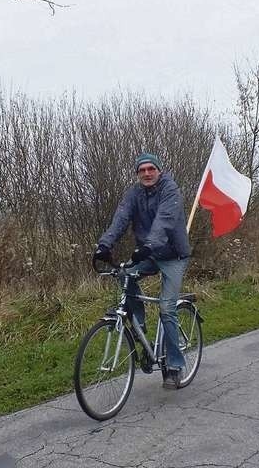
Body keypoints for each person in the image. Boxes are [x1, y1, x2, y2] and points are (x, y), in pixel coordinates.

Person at [92, 153, 191, 389]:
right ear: (137, 174)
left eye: (150, 169)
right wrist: (104, 245)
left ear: (159, 170)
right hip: (151, 253)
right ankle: (139, 325)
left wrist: (148, 246)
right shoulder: (134, 193)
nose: (146, 173)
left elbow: (164, 221)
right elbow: (121, 218)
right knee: (125, 275)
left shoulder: (171, 191)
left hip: (174, 255)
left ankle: (175, 366)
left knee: (167, 309)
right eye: (141, 170)